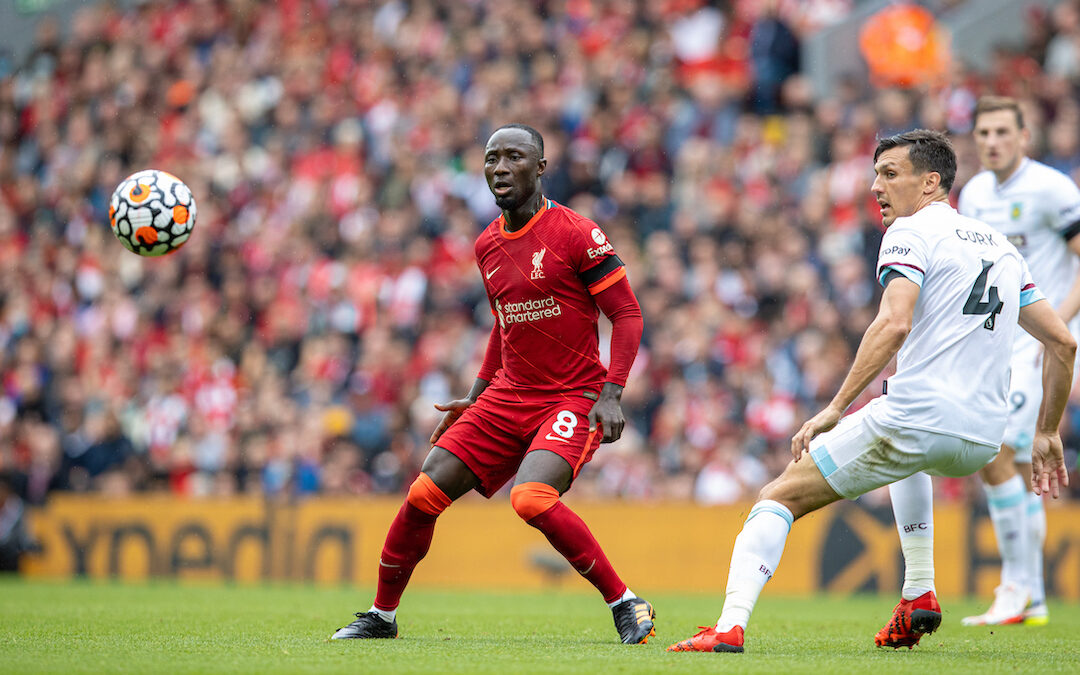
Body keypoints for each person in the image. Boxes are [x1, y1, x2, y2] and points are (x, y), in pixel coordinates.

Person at [667, 129, 1074, 655]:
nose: (876, 187)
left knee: (777, 498)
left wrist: (834, 409)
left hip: (919, 417)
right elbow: (1062, 342)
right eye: (875, 174)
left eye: (890, 174)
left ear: (931, 182)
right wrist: (1046, 431)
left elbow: (893, 323)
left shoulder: (909, 233)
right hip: (981, 437)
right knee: (910, 455)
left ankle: (728, 627)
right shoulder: (1000, 246)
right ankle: (918, 591)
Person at [331, 124, 654, 644]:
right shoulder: (486, 244)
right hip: (509, 394)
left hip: (573, 395)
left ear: (541, 167)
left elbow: (628, 314)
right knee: (423, 491)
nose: (500, 168)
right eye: (491, 158)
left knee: (530, 498)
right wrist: (476, 396)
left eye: (514, 157)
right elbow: (505, 324)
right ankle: (381, 616)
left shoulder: (576, 232)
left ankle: (625, 602)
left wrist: (612, 392)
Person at [888, 97, 1080, 630]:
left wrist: (1053, 327)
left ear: (1024, 136)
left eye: (1001, 131)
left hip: (1041, 340)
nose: (991, 141)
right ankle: (1031, 595)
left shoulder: (1052, 190)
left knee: (998, 454)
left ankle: (1016, 590)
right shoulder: (972, 193)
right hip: (998, 340)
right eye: (983, 133)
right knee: (1012, 465)